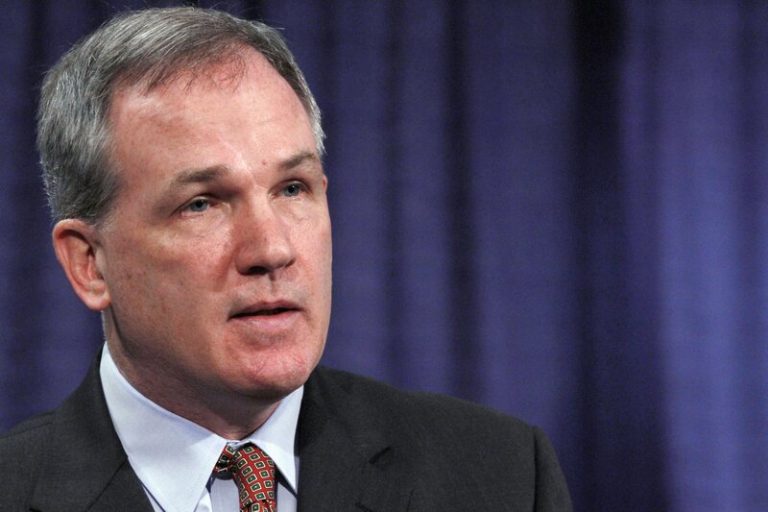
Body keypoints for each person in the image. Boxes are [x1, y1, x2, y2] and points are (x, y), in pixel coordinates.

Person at [0, 7, 571, 511]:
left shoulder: (501, 476)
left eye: (293, 189)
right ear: (90, 264)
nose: (272, 249)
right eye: (201, 204)